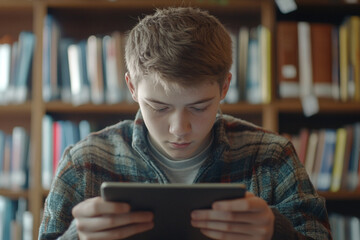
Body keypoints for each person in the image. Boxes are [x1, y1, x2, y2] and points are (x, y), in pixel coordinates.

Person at [39, 7, 332, 240]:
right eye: (159, 107)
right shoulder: (85, 162)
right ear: (132, 87)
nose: (179, 128)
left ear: (225, 87)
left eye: (199, 107)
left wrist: (275, 232)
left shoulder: (272, 157)